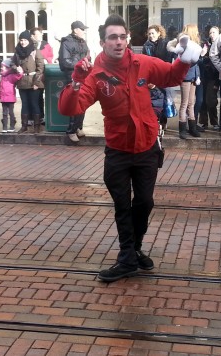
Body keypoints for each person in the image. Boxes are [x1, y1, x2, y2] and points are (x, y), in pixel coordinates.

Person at [58, 14, 201, 282]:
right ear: (102, 42)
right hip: (118, 150)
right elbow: (70, 108)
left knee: (144, 202)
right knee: (123, 205)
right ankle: (127, 256)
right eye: (113, 37)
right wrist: (77, 81)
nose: (119, 42)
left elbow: (170, 76)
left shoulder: (141, 62)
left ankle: (133, 250)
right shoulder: (95, 74)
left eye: (123, 36)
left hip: (147, 146)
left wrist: (183, 59)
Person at [58, 20, 90, 143]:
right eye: (82, 29)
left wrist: (87, 62)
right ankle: (71, 130)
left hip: (83, 73)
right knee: (73, 101)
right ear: (76, 30)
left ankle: (78, 127)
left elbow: (87, 55)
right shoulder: (66, 42)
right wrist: (79, 65)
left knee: (83, 100)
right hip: (72, 74)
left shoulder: (83, 42)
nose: (84, 32)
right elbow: (65, 61)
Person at [172, 24, 202, 140]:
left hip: (194, 75)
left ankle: (192, 127)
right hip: (185, 75)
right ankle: (182, 128)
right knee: (184, 103)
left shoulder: (195, 44)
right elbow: (181, 59)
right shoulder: (183, 44)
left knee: (191, 102)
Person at [13, 31, 45, 134]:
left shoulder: (35, 51)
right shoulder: (17, 52)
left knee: (34, 104)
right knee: (25, 104)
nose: (23, 42)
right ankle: (24, 126)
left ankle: (37, 126)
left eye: (25, 40)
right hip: (22, 81)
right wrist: (16, 67)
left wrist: (36, 82)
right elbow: (13, 63)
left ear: (29, 40)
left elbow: (40, 68)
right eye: (21, 40)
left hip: (33, 81)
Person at [198, 25, 220, 131]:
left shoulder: (220, 45)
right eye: (210, 33)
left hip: (214, 77)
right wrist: (202, 54)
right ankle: (203, 122)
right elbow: (199, 60)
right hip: (203, 76)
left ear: (218, 33)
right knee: (202, 100)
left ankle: (214, 122)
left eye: (214, 33)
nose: (212, 35)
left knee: (211, 100)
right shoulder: (205, 45)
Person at [31, 27, 53, 125]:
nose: (40, 36)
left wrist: (44, 60)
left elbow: (51, 56)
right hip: (32, 73)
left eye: (41, 34)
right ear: (32, 36)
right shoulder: (30, 45)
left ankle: (42, 117)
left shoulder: (46, 45)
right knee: (33, 96)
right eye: (38, 34)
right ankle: (33, 117)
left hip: (43, 73)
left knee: (41, 95)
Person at [0, 60, 23, 133]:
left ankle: (12, 126)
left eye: (3, 67)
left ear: (7, 68)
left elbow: (19, 75)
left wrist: (18, 69)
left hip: (10, 98)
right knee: (4, 113)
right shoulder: (2, 77)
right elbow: (0, 88)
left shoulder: (11, 76)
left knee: (11, 113)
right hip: (3, 98)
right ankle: (4, 127)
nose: (1, 68)